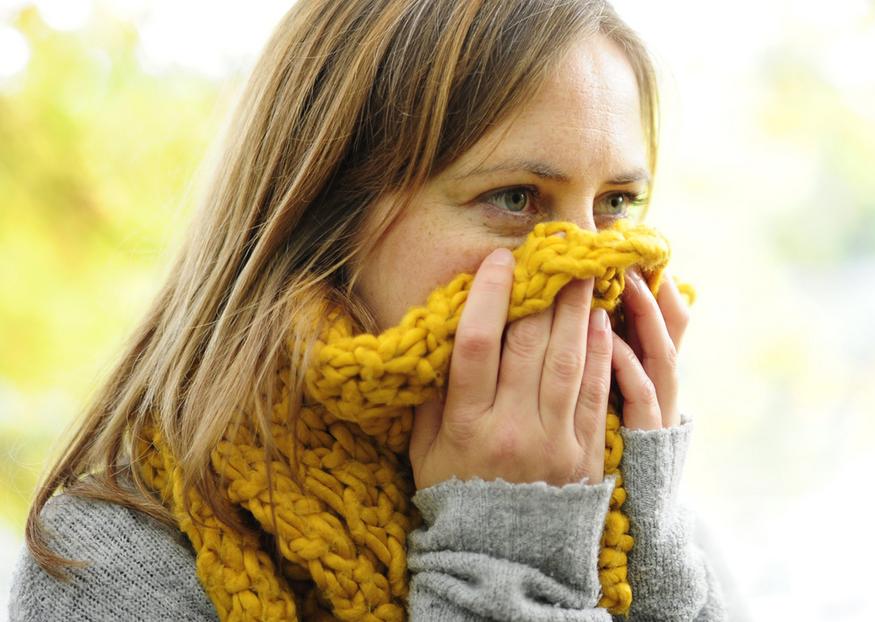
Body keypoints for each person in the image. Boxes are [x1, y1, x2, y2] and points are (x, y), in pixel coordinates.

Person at [8, 0, 734, 620]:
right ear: (325, 220)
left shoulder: (651, 526)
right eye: (515, 199)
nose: (585, 271)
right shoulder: (109, 560)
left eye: (615, 204)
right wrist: (512, 546)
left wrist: (655, 545)